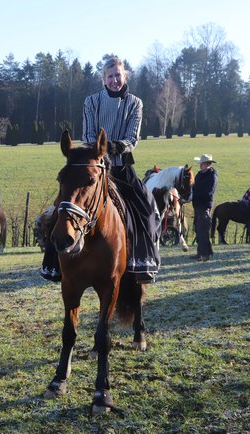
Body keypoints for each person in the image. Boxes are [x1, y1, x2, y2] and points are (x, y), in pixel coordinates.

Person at [41, 56, 160, 284]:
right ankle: (53, 265)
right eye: (110, 76)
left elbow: (132, 138)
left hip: (121, 167)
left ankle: (142, 262)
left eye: (118, 75)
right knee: (61, 206)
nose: (115, 80)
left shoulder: (135, 103)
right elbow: (87, 135)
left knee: (144, 207)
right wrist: (99, 153)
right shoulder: (91, 102)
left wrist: (114, 147)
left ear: (125, 76)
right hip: (93, 167)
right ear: (103, 79)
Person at [191, 154, 218, 262]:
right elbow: (194, 187)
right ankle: (201, 252)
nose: (200, 165)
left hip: (204, 206)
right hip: (197, 206)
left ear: (207, 164)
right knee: (198, 230)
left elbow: (209, 192)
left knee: (203, 231)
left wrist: (194, 196)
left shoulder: (212, 176)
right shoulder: (199, 175)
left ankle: (205, 255)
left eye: (202, 164)